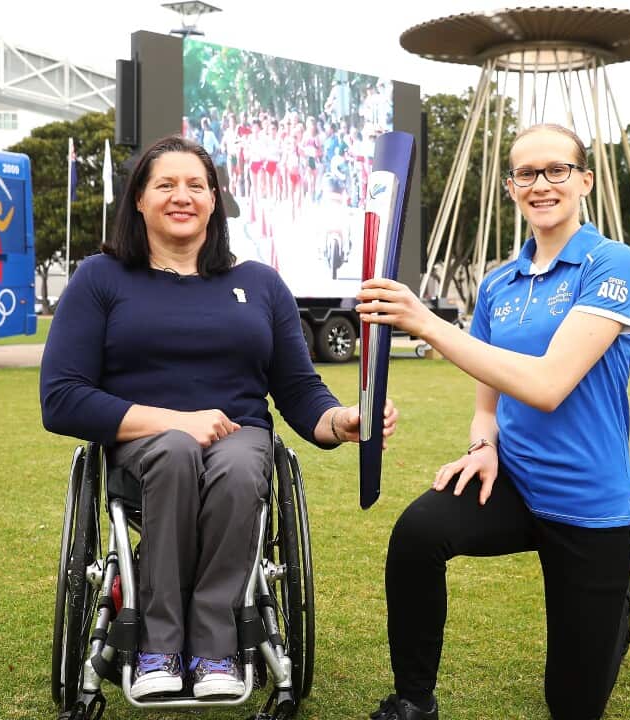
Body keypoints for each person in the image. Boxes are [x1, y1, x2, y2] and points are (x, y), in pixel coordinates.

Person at [39, 134, 396, 701]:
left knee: (237, 466)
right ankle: (157, 644)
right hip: (144, 444)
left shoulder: (259, 283)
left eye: (196, 185)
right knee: (176, 450)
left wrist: (340, 420)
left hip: (239, 438)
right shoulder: (101, 279)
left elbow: (299, 390)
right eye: (165, 184)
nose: (182, 196)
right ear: (139, 199)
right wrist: (174, 420)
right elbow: (62, 398)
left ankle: (215, 647)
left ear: (213, 200)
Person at [354, 123, 630, 720]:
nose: (541, 184)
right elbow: (488, 401)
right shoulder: (497, 285)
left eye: (557, 170)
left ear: (584, 181)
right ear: (511, 187)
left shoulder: (612, 263)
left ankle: (613, 613)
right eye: (526, 173)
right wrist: (483, 446)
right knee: (417, 536)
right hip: (513, 482)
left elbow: (547, 385)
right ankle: (413, 701)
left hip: (587, 502)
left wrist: (427, 323)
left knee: (572, 703)